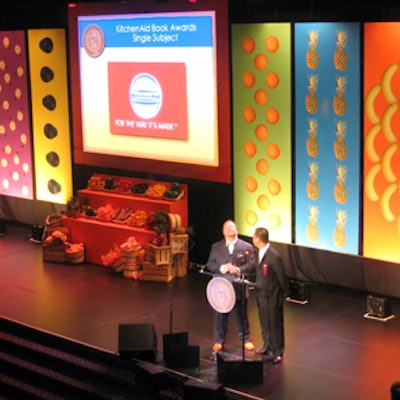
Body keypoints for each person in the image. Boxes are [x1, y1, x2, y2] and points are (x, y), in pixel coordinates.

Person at [206, 219, 256, 353]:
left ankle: (246, 339)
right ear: (223, 231)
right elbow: (210, 264)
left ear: (237, 230)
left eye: (232, 227)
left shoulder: (246, 247)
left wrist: (238, 269)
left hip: (238, 287)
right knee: (220, 316)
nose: (230, 230)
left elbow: (251, 265)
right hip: (221, 289)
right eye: (227, 228)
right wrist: (222, 268)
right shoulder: (216, 247)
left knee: (242, 315)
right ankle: (219, 340)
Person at [252, 227, 289, 364]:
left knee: (275, 324)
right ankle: (267, 346)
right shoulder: (258, 253)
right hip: (261, 295)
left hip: (273, 296)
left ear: (258, 239)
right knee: (264, 322)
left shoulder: (274, 256)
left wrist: (284, 293)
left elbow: (282, 277)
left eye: (254, 237)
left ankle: (278, 351)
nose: (253, 239)